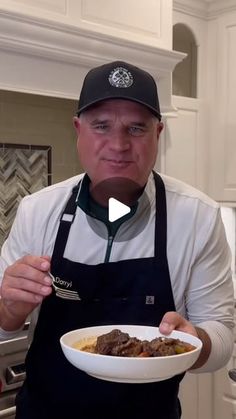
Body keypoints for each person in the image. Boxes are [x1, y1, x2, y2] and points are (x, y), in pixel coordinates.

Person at [0, 60, 234, 419]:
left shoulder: (197, 217)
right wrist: (10, 305)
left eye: (136, 128)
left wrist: (193, 341)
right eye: (101, 125)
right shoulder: (38, 211)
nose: (119, 144)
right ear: (78, 130)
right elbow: (3, 319)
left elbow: (221, 337)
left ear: (158, 132)